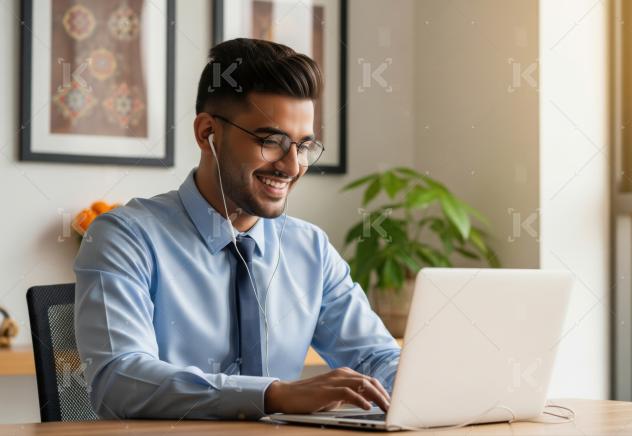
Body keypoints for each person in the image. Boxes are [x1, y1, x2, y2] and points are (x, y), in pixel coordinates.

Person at [74, 38, 399, 420]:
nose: (292, 166)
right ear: (207, 132)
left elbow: (375, 356)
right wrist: (272, 395)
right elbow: (119, 379)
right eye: (271, 141)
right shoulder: (124, 237)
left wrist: (424, 388)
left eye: (304, 146)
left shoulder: (309, 248)